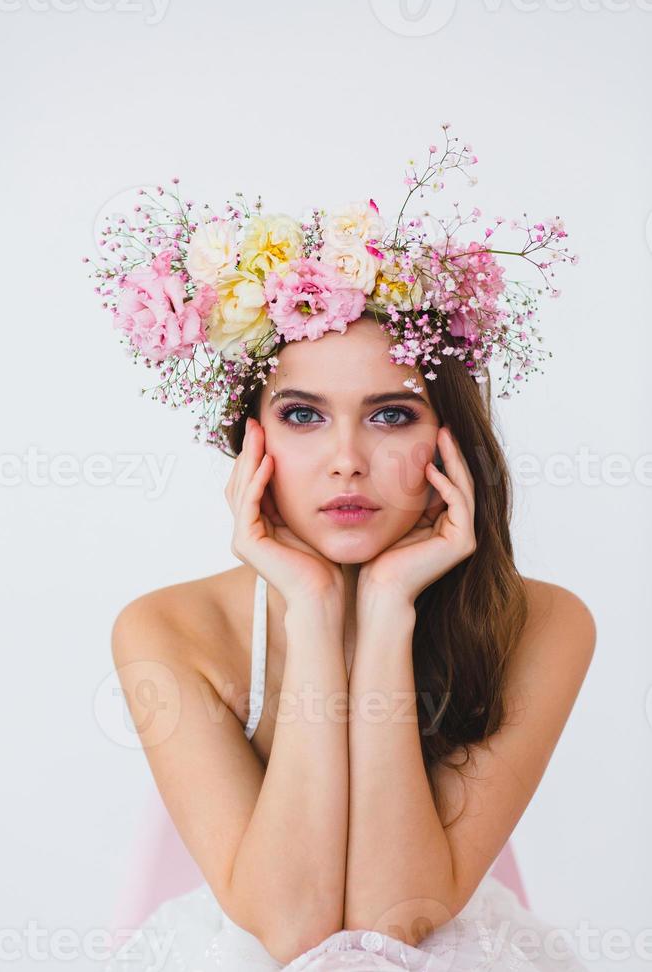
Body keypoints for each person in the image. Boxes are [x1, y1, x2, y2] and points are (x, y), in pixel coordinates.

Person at [106, 313, 596, 971]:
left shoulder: (542, 621)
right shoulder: (170, 627)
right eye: (304, 416)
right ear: (252, 442)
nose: (347, 462)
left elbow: (392, 924)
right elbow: (292, 930)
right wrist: (312, 611)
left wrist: (388, 613)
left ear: (449, 443)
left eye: (391, 416)